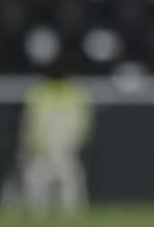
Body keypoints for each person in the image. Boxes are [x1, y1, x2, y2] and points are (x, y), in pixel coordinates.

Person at [14, 66, 94, 215]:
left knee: (67, 180)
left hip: (62, 146)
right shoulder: (40, 93)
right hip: (43, 148)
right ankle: (40, 213)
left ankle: (70, 214)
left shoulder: (73, 93)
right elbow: (30, 121)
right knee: (38, 180)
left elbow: (81, 122)